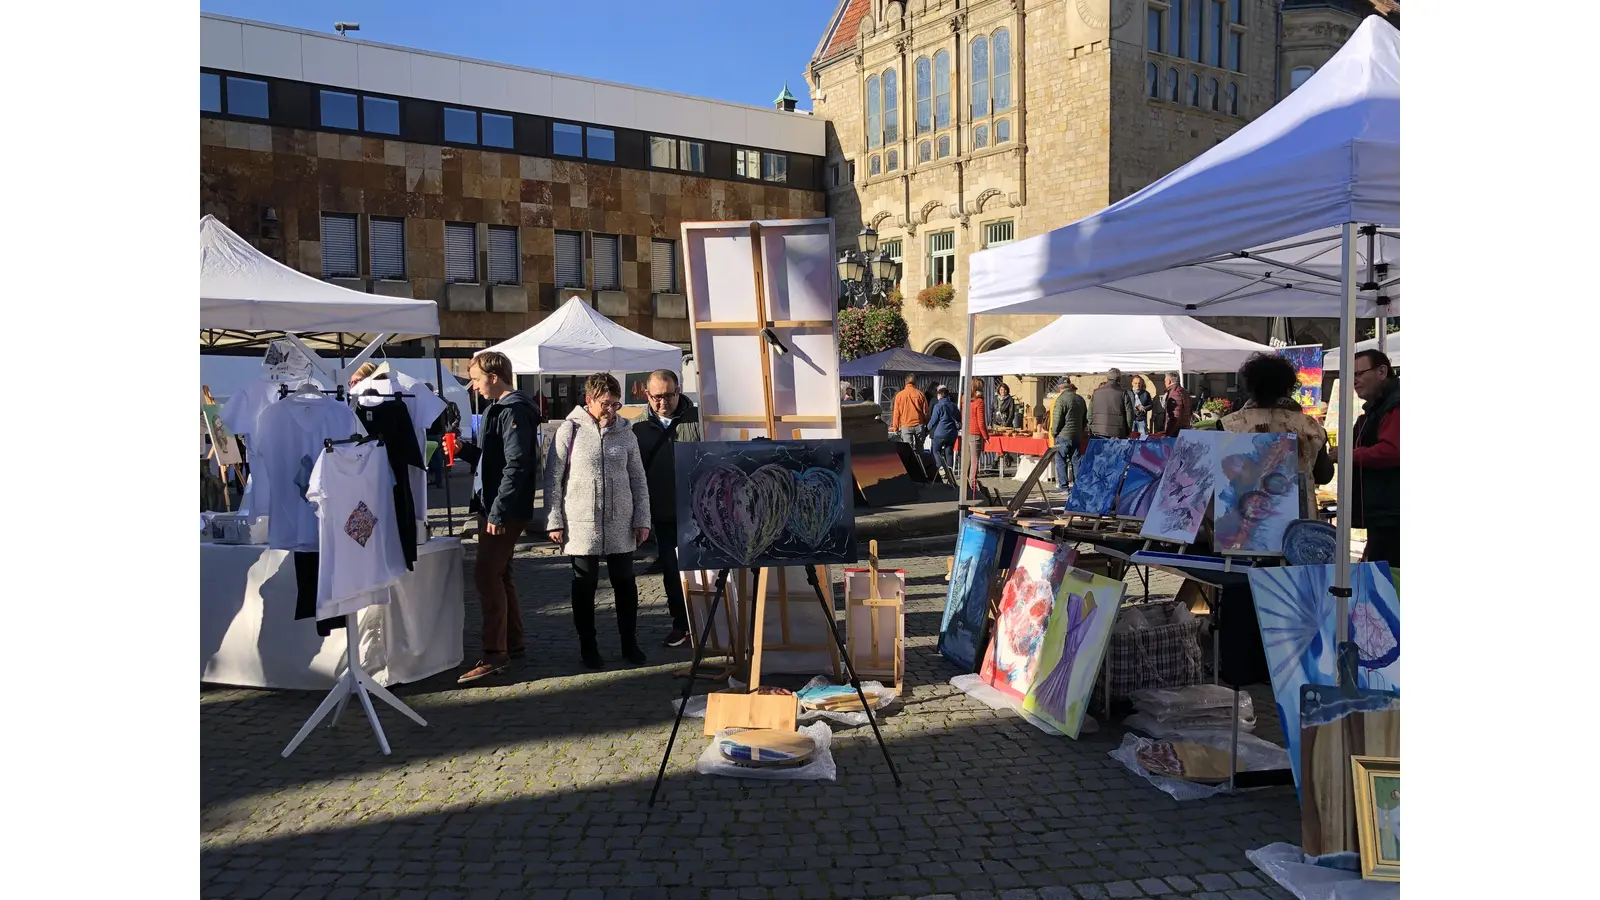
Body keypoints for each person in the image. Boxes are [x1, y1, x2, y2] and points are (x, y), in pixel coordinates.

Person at [545, 373, 653, 669]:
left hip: (621, 519)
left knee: (624, 582)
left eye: (616, 404)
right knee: (585, 585)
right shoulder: (569, 431)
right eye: (606, 403)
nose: (611, 410)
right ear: (589, 400)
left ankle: (629, 642)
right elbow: (553, 478)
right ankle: (588, 646)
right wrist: (554, 519)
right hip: (581, 521)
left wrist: (642, 518)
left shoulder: (626, 434)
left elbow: (638, 479)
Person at [456, 351, 539, 684]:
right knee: (500, 574)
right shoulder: (498, 410)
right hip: (493, 504)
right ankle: (512, 643)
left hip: (502, 508)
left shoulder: (513, 410)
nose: (474, 387)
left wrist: (499, 510)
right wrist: (466, 451)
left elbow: (516, 465)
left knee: (486, 575)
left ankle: (495, 653)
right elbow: (494, 460)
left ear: (493, 376)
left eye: (476, 379)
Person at [631, 369, 702, 649]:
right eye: (657, 396)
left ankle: (714, 622)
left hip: (699, 511)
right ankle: (681, 625)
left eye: (669, 395)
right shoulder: (637, 427)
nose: (663, 402)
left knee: (705, 570)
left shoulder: (698, 419)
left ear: (678, 391)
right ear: (647, 394)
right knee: (672, 571)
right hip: (662, 512)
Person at [1221, 353, 1334, 519]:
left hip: (1243, 522)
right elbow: (1324, 476)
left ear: (1251, 389)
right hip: (1297, 521)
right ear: (1289, 389)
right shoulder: (1309, 426)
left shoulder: (1228, 425)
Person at [1349, 349, 1400, 570]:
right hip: (1384, 514)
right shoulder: (1378, 407)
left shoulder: (1396, 405)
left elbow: (1392, 451)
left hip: (1393, 515)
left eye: (1360, 373)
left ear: (1382, 371)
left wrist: (1349, 456)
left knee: (1390, 579)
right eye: (1353, 375)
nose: (1355, 380)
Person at [1050, 378, 1087, 492]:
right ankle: (1078, 486)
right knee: (1076, 460)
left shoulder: (1060, 400)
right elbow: (1085, 418)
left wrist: (1054, 432)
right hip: (1077, 435)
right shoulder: (1080, 399)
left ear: (1060, 387)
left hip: (1063, 434)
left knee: (1061, 460)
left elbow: (1057, 419)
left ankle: (1063, 487)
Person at [926, 385, 960, 482]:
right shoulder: (953, 405)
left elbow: (933, 420)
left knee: (936, 450)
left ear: (940, 395)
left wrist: (927, 427)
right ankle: (949, 472)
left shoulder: (938, 406)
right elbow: (959, 418)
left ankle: (940, 468)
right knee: (949, 452)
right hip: (952, 433)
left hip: (940, 433)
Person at [1090, 368, 1136, 439]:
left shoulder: (1096, 392)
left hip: (1098, 431)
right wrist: (1128, 431)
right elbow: (1129, 414)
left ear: (1107, 378)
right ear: (1119, 379)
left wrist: (1092, 427)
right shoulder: (1123, 393)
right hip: (1117, 432)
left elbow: (1089, 413)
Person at [964, 382, 991, 492]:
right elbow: (981, 421)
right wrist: (986, 436)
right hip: (975, 433)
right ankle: (973, 486)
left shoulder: (966, 400)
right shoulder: (979, 402)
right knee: (975, 460)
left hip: (967, 432)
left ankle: (966, 484)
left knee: (968, 460)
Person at [890, 374, 930, 446]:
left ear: (905, 382)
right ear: (915, 382)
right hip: (919, 425)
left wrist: (895, 428)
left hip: (906, 425)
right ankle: (920, 457)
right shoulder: (920, 394)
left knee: (908, 449)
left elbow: (896, 413)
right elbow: (926, 412)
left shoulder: (899, 395)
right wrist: (927, 423)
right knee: (920, 449)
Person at [1162, 372, 1193, 437]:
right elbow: (1190, 411)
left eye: (1165, 381)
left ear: (1168, 381)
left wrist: (1169, 433)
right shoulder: (1184, 391)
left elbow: (1175, 416)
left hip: (1176, 431)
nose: (1164, 383)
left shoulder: (1174, 393)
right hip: (1184, 428)